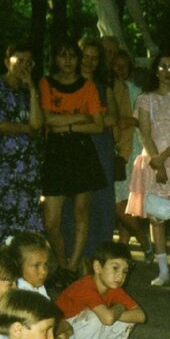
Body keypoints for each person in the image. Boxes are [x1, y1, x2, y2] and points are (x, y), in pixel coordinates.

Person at [126, 52, 170, 287]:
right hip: (152, 162)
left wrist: (164, 159)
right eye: (162, 66)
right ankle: (164, 270)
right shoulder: (145, 99)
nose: (167, 71)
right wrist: (156, 162)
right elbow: (144, 132)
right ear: (155, 70)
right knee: (157, 217)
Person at [39, 37, 106, 285]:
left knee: (80, 211)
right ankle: (63, 261)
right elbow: (47, 119)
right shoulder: (46, 84)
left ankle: (72, 266)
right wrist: (80, 118)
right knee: (51, 221)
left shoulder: (87, 86)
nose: (67, 61)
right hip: (56, 153)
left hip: (81, 152)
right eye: (62, 55)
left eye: (72, 56)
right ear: (55, 58)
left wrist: (66, 123)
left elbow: (98, 125)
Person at [0, 42, 44, 250]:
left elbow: (37, 124)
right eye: (19, 61)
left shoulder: (29, 91)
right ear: (7, 62)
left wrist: (32, 89)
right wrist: (25, 129)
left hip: (25, 172)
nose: (24, 66)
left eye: (28, 62)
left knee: (25, 229)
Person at [58, 37, 117, 262]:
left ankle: (99, 256)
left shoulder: (104, 87)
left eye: (95, 58)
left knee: (100, 203)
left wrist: (88, 118)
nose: (89, 62)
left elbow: (113, 118)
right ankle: (74, 257)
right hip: (71, 146)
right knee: (72, 204)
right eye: (86, 56)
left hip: (99, 147)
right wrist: (91, 118)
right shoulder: (65, 85)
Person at [55, 241, 145, 339]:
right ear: (97, 267)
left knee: (125, 318)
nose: (120, 276)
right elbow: (108, 319)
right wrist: (120, 307)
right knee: (95, 318)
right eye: (115, 268)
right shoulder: (85, 286)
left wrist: (116, 312)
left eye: (124, 272)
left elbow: (140, 316)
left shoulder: (113, 288)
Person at [110, 49, 148, 254]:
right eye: (116, 65)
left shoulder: (136, 91)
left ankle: (122, 250)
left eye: (124, 66)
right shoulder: (110, 88)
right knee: (117, 201)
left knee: (128, 202)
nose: (120, 69)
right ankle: (143, 240)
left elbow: (145, 120)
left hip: (135, 148)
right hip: (119, 148)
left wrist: (131, 121)